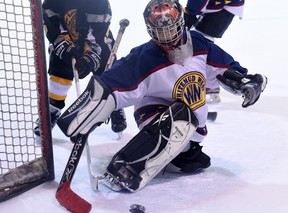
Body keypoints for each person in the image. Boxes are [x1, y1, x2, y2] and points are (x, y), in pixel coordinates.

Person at [57, 0, 267, 192]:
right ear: (150, 30)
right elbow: (111, 84)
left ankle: (177, 157)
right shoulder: (143, 57)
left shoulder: (199, 44)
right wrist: (87, 109)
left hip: (192, 125)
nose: (166, 36)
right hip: (154, 113)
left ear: (181, 23)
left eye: (170, 28)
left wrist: (245, 82)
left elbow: (225, 68)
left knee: (191, 151)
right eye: (160, 30)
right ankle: (124, 170)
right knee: (181, 117)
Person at [33, 0, 127, 137]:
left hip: (97, 41)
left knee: (108, 68)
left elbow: (99, 28)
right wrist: (62, 43)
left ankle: (113, 104)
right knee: (59, 70)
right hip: (66, 38)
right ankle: (52, 109)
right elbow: (49, 16)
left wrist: (90, 53)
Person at [183, 0, 245, 103]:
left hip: (223, 6)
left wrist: (190, 12)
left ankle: (209, 88)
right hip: (224, 5)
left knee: (199, 41)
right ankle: (210, 88)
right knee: (200, 39)